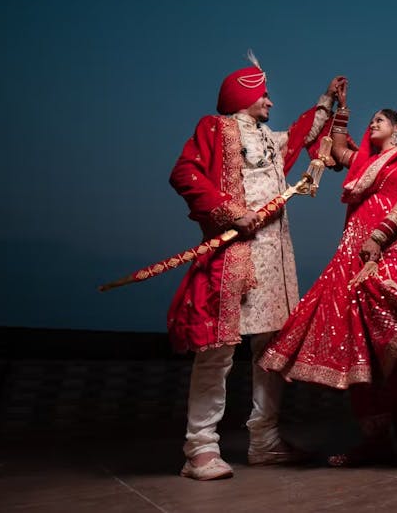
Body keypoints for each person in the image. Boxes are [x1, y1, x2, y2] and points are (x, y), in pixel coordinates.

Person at [258, 84, 397, 467]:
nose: (373, 124)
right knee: (360, 344)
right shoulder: (365, 165)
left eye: (379, 120)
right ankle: (378, 438)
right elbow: (339, 147)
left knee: (392, 338)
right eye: (371, 121)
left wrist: (380, 236)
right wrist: (341, 110)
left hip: (394, 246)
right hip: (353, 249)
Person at [167, 51, 345, 480]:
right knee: (218, 351)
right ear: (242, 95)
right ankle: (200, 448)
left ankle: (264, 441)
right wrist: (229, 211)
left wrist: (327, 100)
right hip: (233, 257)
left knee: (272, 352)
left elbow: (303, 135)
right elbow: (184, 172)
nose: (269, 101)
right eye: (262, 94)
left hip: (275, 262)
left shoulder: (268, 139)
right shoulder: (215, 128)